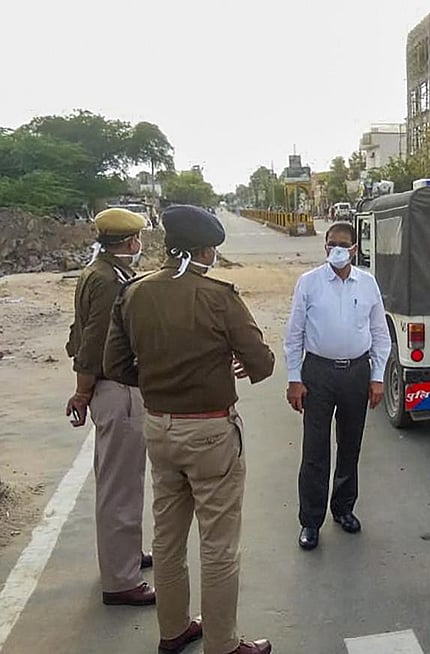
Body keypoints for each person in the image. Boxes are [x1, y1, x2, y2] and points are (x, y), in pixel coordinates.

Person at [104, 205, 275, 654]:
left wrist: (160, 378)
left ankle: (173, 629)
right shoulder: (219, 296)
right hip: (210, 434)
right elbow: (262, 361)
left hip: (158, 428)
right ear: (204, 250)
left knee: (167, 536)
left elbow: (115, 365)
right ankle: (222, 644)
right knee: (218, 545)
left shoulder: (134, 293)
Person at [64, 207, 154, 607]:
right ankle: (120, 581)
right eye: (137, 240)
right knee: (120, 486)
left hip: (112, 386)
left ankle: (126, 556)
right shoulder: (106, 281)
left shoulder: (100, 272)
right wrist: (82, 392)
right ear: (130, 242)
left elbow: (76, 331)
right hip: (115, 388)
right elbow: (94, 342)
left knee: (126, 480)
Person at [284, 221, 391, 551]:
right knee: (315, 449)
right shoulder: (309, 283)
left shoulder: (368, 284)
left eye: (344, 245)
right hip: (318, 373)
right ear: (325, 247)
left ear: (355, 249)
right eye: (332, 245)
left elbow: (380, 334)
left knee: (350, 445)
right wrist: (294, 379)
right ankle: (310, 521)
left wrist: (377, 377)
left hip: (356, 374)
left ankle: (343, 508)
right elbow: (294, 335)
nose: (337, 251)